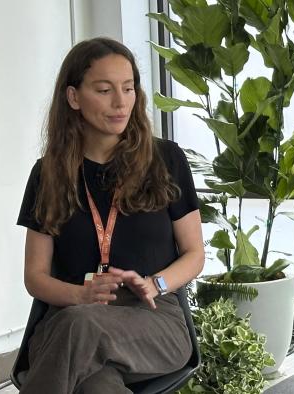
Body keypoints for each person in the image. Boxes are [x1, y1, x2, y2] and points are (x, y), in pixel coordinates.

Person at [16, 37, 204, 394]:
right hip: (69, 316)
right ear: (73, 97)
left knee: (81, 332)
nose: (121, 103)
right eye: (104, 90)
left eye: (129, 88)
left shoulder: (166, 160)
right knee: (96, 383)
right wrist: (80, 297)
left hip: (153, 319)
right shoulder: (49, 174)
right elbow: (35, 277)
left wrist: (155, 284)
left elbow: (195, 254)